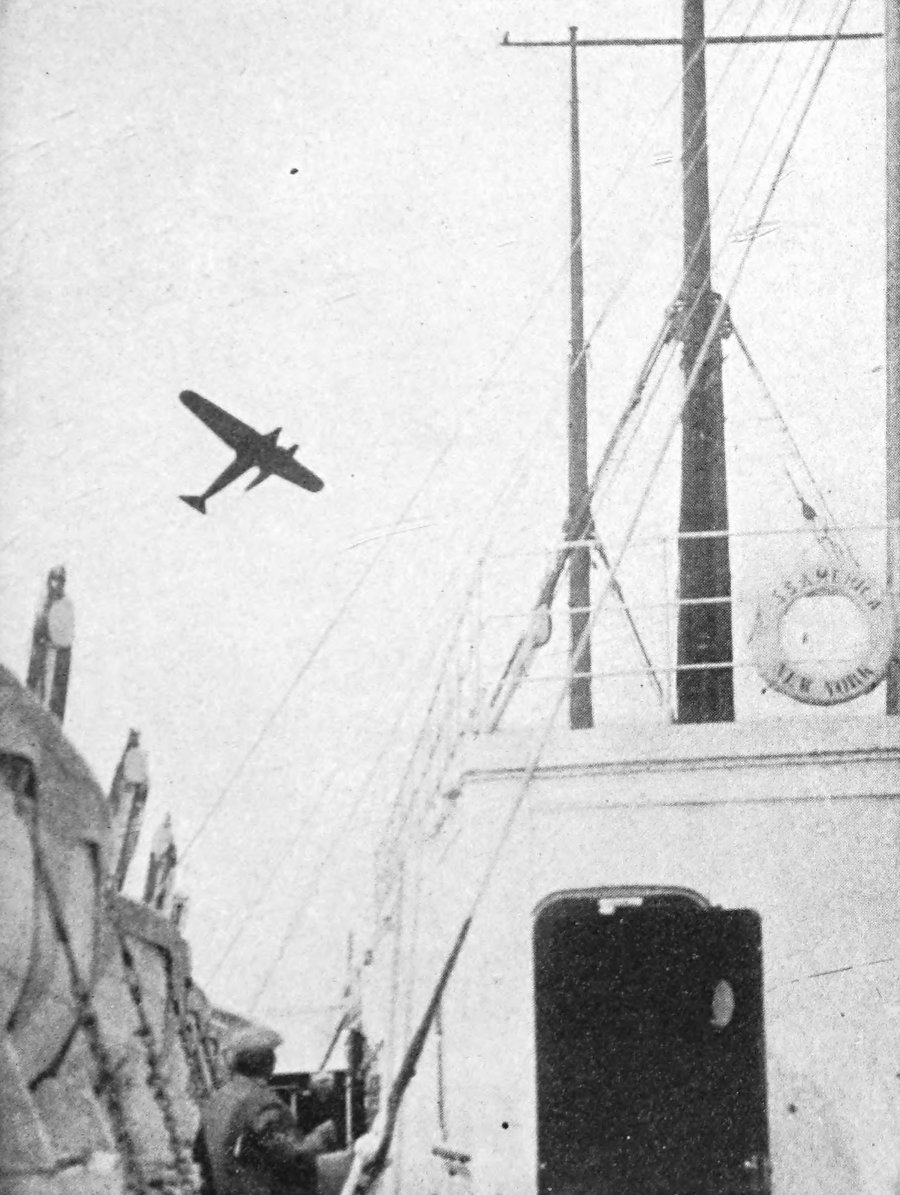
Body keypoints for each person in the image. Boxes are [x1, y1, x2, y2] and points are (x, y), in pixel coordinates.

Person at [196, 1029, 338, 1195]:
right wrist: (320, 1136)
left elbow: (200, 1155)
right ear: (269, 1063)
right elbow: (291, 1158)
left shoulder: (217, 1100)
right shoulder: (263, 1103)